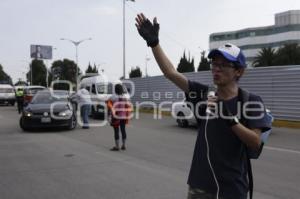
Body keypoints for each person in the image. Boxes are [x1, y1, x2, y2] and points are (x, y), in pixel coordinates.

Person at [135, 13, 271, 199]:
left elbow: (255, 141)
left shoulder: (251, 101)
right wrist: (154, 44)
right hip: (200, 188)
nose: (216, 69)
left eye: (223, 65)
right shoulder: (203, 95)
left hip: (232, 190)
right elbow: (171, 73)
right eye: (214, 64)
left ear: (238, 71)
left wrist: (230, 119)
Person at [107, 84, 131, 151]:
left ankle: (117, 146)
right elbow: (128, 106)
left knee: (116, 131)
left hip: (116, 116)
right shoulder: (125, 97)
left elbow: (108, 104)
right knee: (123, 130)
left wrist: (109, 115)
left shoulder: (113, 97)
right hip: (123, 116)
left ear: (115, 89)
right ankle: (123, 145)